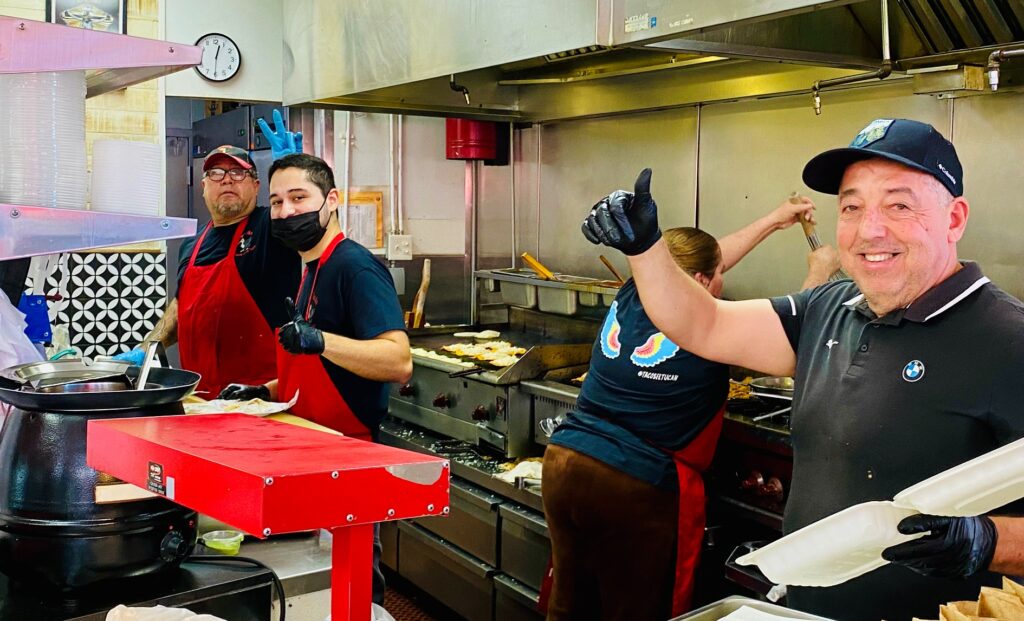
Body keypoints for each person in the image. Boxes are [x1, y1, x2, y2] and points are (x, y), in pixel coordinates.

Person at [580, 118, 1024, 621]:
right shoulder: (828, 307)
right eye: (852, 207)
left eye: (899, 205)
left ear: (954, 219)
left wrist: (989, 541)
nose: (869, 229)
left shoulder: (1009, 339)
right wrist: (645, 247)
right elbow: (704, 324)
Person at [543, 197, 837, 621]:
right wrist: (820, 274)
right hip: (632, 486)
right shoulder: (707, 329)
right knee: (637, 611)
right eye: (717, 277)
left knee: (572, 605)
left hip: (565, 463)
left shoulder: (635, 289)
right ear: (700, 281)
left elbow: (704, 259)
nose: (722, 280)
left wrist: (774, 221)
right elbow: (798, 331)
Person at [219, 152, 412, 606]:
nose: (287, 212)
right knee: (318, 583)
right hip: (312, 453)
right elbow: (318, 366)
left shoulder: (354, 267)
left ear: (332, 200)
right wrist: (265, 391)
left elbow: (398, 360)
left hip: (349, 456)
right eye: (277, 202)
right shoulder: (309, 267)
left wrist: (320, 340)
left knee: (353, 587)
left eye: (299, 198)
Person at [120, 145, 301, 396]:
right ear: (204, 187)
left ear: (257, 186)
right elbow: (181, 306)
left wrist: (294, 177)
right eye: (216, 173)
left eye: (238, 172)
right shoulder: (191, 245)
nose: (227, 179)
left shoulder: (272, 227)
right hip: (202, 398)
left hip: (263, 397)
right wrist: (145, 349)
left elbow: (306, 218)